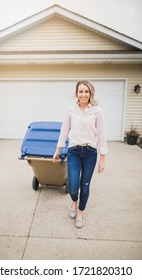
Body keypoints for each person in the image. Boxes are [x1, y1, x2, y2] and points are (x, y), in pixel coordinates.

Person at [53, 80, 108, 229]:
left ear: (90, 93)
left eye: (86, 91)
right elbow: (65, 130)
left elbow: (102, 135)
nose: (83, 94)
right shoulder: (71, 110)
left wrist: (102, 159)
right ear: (76, 94)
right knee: (73, 186)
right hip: (74, 151)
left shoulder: (97, 111)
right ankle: (74, 202)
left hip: (90, 153)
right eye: (81, 91)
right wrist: (58, 150)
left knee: (85, 186)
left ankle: (80, 212)